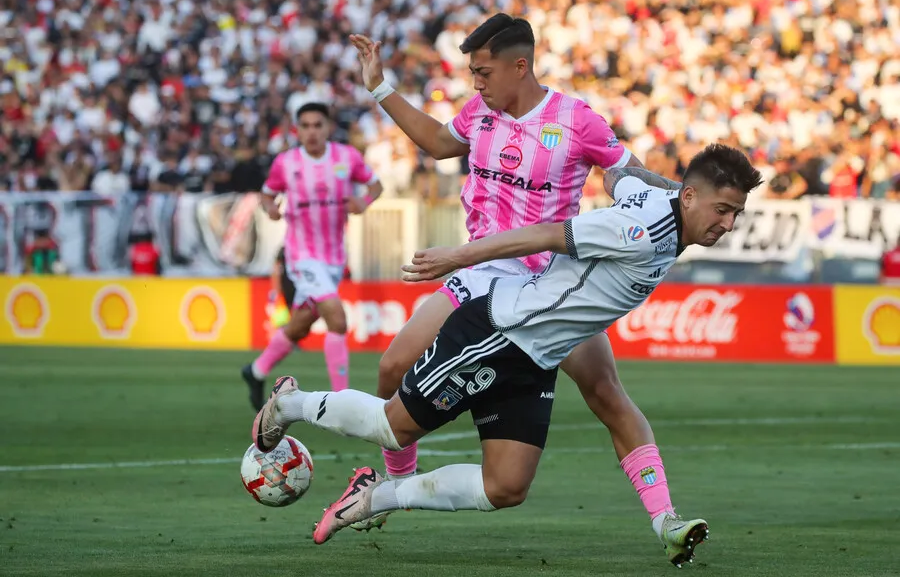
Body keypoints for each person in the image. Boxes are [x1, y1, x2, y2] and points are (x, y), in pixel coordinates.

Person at [252, 144, 761, 565]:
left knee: (506, 487)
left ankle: (375, 497)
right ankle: (290, 403)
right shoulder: (638, 233)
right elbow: (542, 236)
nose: (728, 225)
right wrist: (457, 256)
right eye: (722, 210)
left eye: (735, 213)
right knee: (392, 428)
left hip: (538, 357)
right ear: (692, 198)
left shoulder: (666, 207)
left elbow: (621, 173)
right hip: (499, 333)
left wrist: (669, 187)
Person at [347, 13, 687, 553]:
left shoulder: (577, 120)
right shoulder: (480, 111)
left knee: (606, 395)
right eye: (473, 73)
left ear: (519, 65)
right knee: (392, 365)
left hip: (550, 287)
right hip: (481, 271)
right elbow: (437, 141)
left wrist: (683, 197)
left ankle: (666, 520)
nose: (475, 84)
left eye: (482, 72)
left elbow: (628, 173)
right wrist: (380, 87)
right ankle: (390, 483)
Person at [240, 102, 383, 410]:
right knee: (336, 316)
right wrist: (270, 208)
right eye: (305, 126)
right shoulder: (286, 163)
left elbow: (376, 185)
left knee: (301, 324)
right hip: (301, 254)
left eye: (318, 125)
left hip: (333, 257)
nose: (312, 132)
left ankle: (255, 371)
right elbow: (267, 194)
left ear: (328, 128)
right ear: (297, 130)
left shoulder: (347, 157)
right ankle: (342, 401)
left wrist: (364, 200)